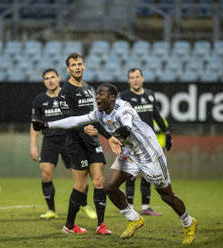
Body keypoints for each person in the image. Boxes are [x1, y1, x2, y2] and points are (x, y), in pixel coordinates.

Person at [32, 83, 197, 244]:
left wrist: (124, 128)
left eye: (101, 94)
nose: (97, 97)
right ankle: (134, 219)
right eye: (97, 93)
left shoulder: (122, 107)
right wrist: (47, 124)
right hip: (129, 152)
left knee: (166, 195)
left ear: (112, 97)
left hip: (149, 153)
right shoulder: (100, 112)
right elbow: (76, 120)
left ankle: (188, 223)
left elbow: (127, 120)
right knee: (109, 186)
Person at [32, 53, 111, 234]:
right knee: (81, 185)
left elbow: (96, 116)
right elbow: (69, 120)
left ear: (84, 66)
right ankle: (69, 225)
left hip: (92, 141)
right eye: (73, 65)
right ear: (68, 69)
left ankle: (101, 225)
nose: (77, 67)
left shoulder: (89, 89)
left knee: (99, 181)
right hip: (75, 142)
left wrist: (107, 135)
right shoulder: (65, 92)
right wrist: (86, 128)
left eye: (80, 64)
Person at [30, 68, 97, 220]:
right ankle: (51, 210)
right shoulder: (39, 100)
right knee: (45, 173)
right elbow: (34, 123)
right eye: (47, 78)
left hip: (70, 138)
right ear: (44, 81)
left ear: (58, 78)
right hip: (50, 140)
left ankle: (85, 205)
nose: (50, 80)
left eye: (53, 77)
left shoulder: (67, 94)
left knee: (80, 175)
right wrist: (33, 145)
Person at [120, 68, 172, 216]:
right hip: (131, 141)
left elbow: (156, 114)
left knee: (147, 174)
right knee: (131, 174)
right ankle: (129, 205)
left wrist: (167, 132)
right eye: (132, 77)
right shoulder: (124, 97)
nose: (135, 80)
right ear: (128, 80)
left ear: (142, 78)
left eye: (138, 77)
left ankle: (145, 207)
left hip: (148, 142)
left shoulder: (149, 94)